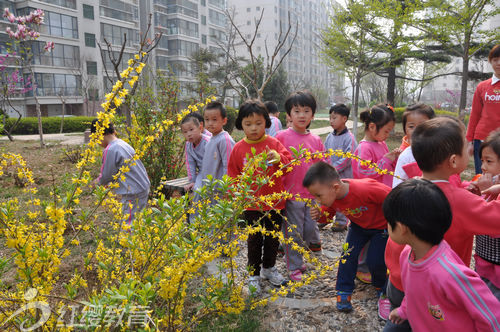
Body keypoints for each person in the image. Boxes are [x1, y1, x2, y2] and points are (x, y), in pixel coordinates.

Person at [383, 178, 500, 331]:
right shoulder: (407, 255)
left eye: (388, 221)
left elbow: (491, 317)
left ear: (401, 227)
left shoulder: (450, 274)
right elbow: (414, 291)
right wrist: (404, 309)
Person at [303, 161, 391, 318]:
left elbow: (392, 198)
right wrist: (320, 215)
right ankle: (344, 290)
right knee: (347, 256)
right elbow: (328, 216)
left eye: (318, 195)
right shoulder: (332, 196)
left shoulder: (365, 189)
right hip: (358, 227)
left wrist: (396, 223)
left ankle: (382, 290)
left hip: (381, 228)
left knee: (376, 261)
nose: (317, 200)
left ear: (335, 187)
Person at [412, 117, 500, 267]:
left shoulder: (412, 188)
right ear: (453, 161)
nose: (470, 150)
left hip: (411, 271)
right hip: (448, 276)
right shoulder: (458, 200)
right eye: (466, 146)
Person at [228, 100, 291, 294]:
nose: (254, 128)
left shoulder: (273, 145)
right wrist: (236, 196)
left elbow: (289, 165)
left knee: (273, 238)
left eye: (258, 123)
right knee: (254, 240)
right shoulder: (238, 148)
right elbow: (232, 176)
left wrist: (279, 158)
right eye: (248, 124)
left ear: (266, 123)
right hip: (252, 205)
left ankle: (269, 268)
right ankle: (253, 274)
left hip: (275, 202)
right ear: (241, 125)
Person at [275, 91, 324, 281]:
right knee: (293, 232)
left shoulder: (316, 140)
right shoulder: (281, 137)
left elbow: (321, 166)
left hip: (311, 195)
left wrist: (321, 193)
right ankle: (293, 265)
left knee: (309, 231)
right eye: (297, 111)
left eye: (306, 111)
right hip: (291, 195)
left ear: (312, 115)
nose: (302, 115)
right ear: (288, 115)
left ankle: (296, 258)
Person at [91, 119, 150, 226]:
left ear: (98, 136)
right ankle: (137, 239)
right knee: (136, 220)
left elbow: (107, 175)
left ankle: (127, 241)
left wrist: (97, 182)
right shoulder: (122, 143)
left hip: (133, 191)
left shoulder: (110, 150)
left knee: (128, 222)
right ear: (114, 131)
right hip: (142, 186)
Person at [474, 129, 500, 300]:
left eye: (488, 161)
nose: (482, 166)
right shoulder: (486, 181)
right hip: (484, 260)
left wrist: (483, 193)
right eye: (482, 160)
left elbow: (493, 223)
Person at [323, 104, 358, 231]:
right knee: (329, 196)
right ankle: (325, 218)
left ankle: (342, 221)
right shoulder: (329, 136)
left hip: (344, 175)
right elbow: (325, 153)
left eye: (334, 118)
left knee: (342, 197)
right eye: (330, 118)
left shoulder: (349, 138)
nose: (331, 121)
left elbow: (348, 158)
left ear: (344, 119)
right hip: (330, 174)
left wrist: (334, 168)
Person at [466, 44, 500, 175]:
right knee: (482, 175)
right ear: (490, 61)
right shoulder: (482, 87)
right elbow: (475, 114)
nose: (499, 63)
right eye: (495, 59)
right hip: (482, 140)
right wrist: (469, 141)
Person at [352, 104, 401, 187]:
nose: (388, 135)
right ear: (372, 127)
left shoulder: (381, 143)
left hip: (386, 191)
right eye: (386, 131)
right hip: (374, 195)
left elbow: (387, 166)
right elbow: (364, 173)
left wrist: (395, 158)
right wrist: (386, 160)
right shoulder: (364, 148)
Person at [392, 104, 435, 188]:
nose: (417, 131)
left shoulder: (440, 152)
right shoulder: (406, 156)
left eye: (422, 126)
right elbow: (397, 186)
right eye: (411, 126)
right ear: (405, 131)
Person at [198, 101, 235, 190]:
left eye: (214, 119)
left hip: (220, 191)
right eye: (207, 119)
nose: (210, 123)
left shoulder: (225, 140)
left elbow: (229, 167)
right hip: (209, 189)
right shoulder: (210, 139)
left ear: (224, 121)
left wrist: (227, 189)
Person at [181, 113, 210, 192]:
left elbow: (214, 162)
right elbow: (190, 164)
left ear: (200, 128)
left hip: (214, 171)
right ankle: (196, 205)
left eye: (191, 130)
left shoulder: (208, 142)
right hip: (202, 172)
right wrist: (192, 181)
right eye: (185, 132)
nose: (189, 134)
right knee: (197, 189)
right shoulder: (188, 145)